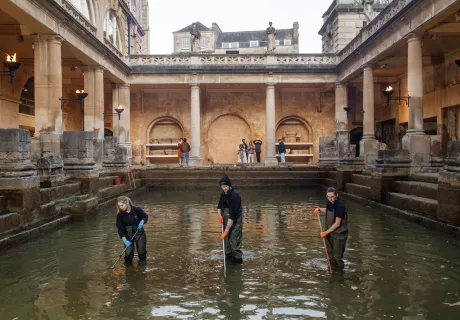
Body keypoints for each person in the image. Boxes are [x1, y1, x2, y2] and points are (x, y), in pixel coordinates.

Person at [313, 187, 348, 269]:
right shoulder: (329, 202)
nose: (330, 199)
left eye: (332, 197)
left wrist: (325, 232)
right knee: (330, 255)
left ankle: (340, 273)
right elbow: (329, 210)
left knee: (337, 257)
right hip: (329, 233)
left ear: (337, 195)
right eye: (328, 197)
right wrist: (320, 209)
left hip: (339, 235)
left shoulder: (340, 206)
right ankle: (332, 270)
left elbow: (337, 224)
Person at [217, 176, 243, 263]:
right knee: (226, 242)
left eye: (226, 186)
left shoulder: (235, 196)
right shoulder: (223, 194)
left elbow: (232, 216)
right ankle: (228, 258)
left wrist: (226, 230)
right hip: (225, 219)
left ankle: (237, 262)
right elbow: (219, 206)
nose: (224, 188)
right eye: (222, 187)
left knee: (234, 240)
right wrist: (219, 215)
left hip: (235, 220)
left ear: (229, 186)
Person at [116, 196, 149, 263]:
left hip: (139, 233)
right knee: (128, 255)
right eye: (119, 206)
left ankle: (142, 268)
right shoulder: (119, 215)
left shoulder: (137, 209)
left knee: (141, 253)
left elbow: (145, 216)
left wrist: (142, 221)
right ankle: (129, 271)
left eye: (122, 205)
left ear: (127, 203)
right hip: (127, 235)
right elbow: (120, 228)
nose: (120, 207)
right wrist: (124, 239)